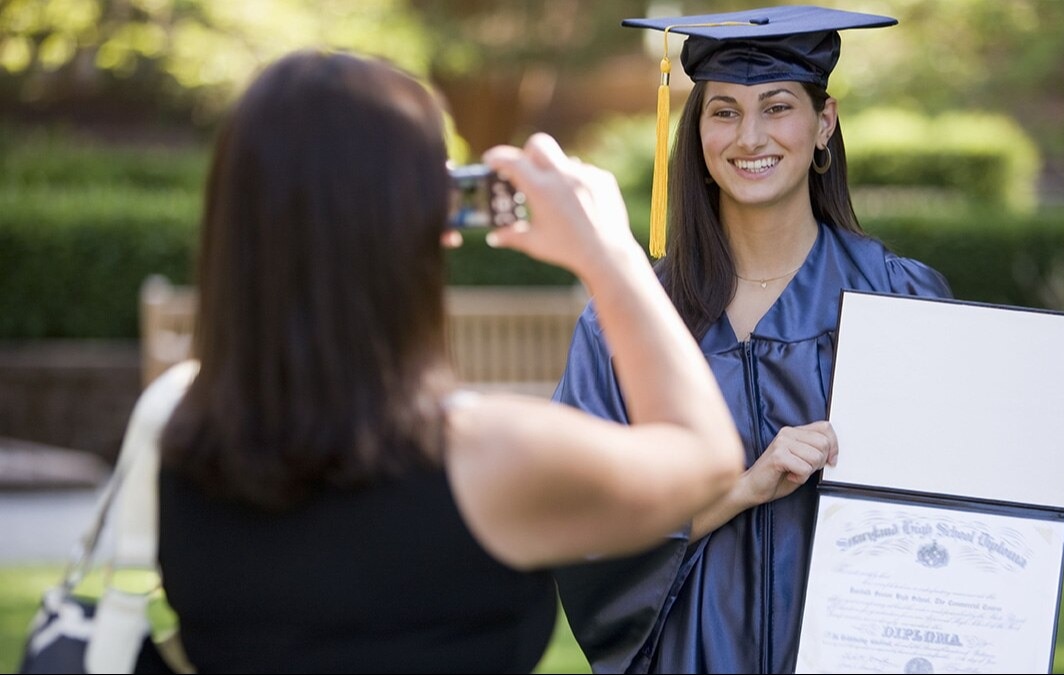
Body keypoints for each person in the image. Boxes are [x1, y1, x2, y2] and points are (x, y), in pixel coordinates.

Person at [154, 48, 743, 673]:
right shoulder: (491, 459)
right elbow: (704, 457)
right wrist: (610, 256)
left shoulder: (181, 442)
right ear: (417, 221)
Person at [551, 6, 954, 674]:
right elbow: (580, 521)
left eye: (777, 107)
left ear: (823, 124)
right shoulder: (628, 324)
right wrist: (742, 488)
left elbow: (960, 511)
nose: (750, 136)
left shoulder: (900, 300)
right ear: (697, 133)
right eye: (725, 112)